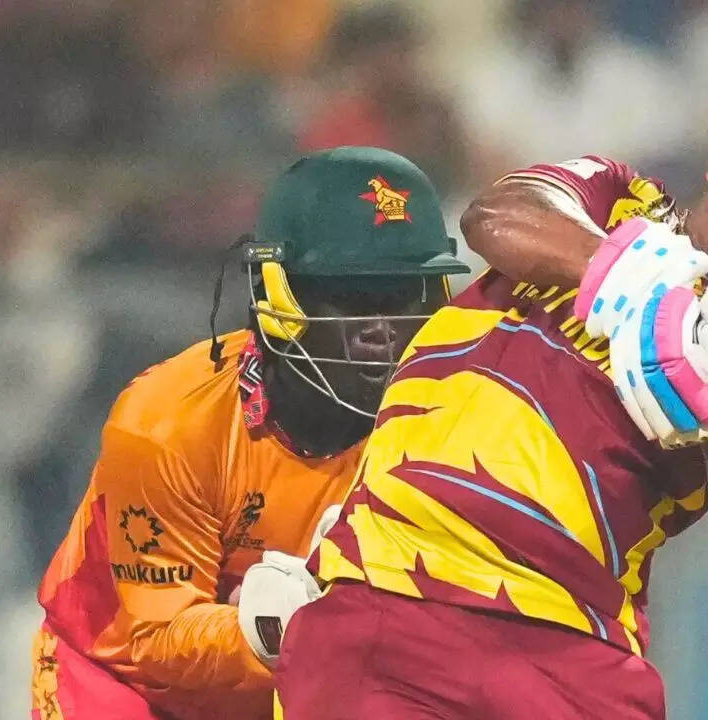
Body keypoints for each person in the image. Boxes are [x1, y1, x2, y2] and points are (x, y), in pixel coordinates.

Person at [275, 61, 708, 718]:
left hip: (571, 647)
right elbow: (495, 216)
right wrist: (634, 288)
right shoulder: (614, 200)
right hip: (386, 593)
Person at [30, 146, 468, 720]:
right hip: (118, 683)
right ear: (274, 293)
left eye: (405, 298)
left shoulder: (450, 422)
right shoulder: (168, 423)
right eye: (352, 297)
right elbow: (154, 642)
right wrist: (274, 627)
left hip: (297, 687)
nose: (381, 332)